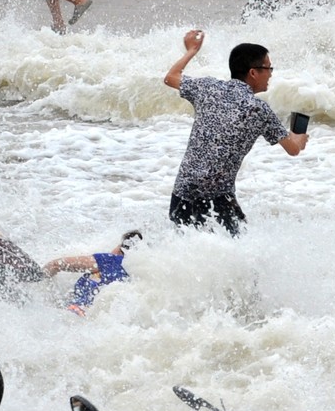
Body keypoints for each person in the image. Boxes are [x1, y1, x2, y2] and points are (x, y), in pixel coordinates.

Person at [161, 30, 307, 234]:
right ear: (253, 73)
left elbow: (170, 78)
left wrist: (191, 51)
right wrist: (299, 138)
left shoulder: (207, 88)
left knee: (186, 249)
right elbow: (292, 149)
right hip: (217, 198)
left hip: (183, 191)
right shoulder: (258, 109)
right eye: (268, 68)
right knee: (240, 251)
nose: (271, 73)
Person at [45, 230, 141, 314]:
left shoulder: (109, 260)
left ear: (121, 248)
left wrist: (38, 276)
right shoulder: (136, 276)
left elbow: (56, 264)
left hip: (73, 312)